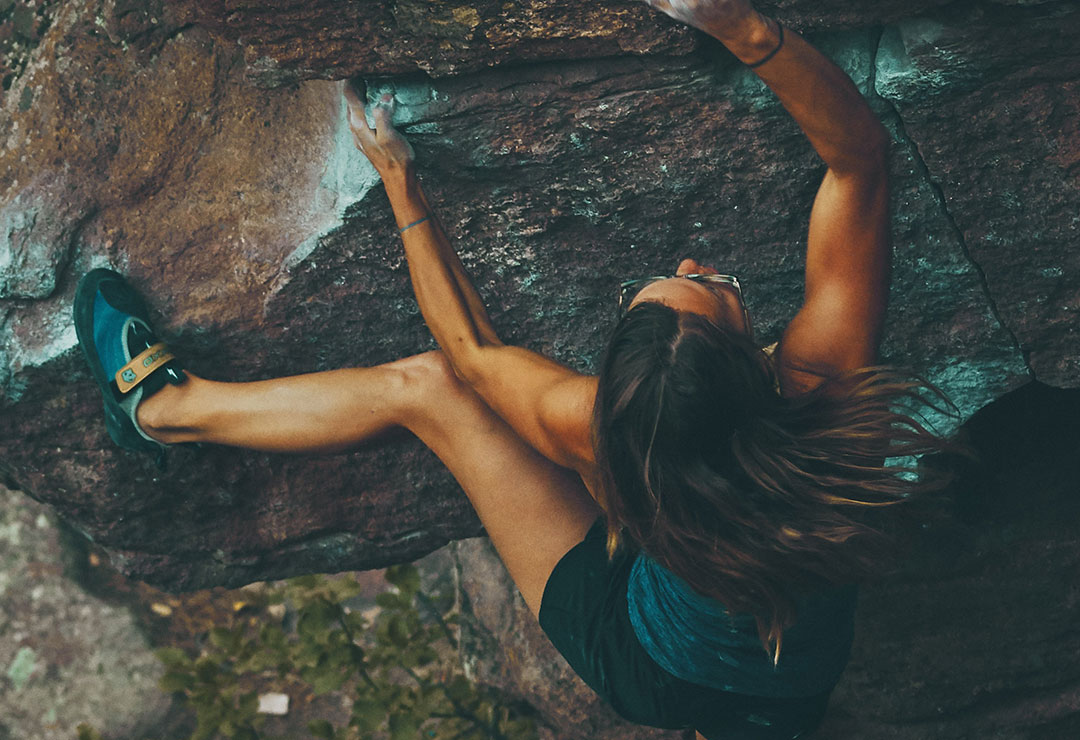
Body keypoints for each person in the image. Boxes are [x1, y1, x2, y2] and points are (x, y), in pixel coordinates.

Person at [74, 2, 953, 737]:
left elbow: (472, 356)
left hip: (648, 660)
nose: (693, 263)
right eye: (703, 284)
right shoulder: (828, 401)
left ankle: (163, 409)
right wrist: (743, 27)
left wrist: (402, 185)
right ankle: (167, 411)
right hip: (789, 685)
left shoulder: (599, 430)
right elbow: (859, 161)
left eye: (697, 283)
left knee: (430, 387)